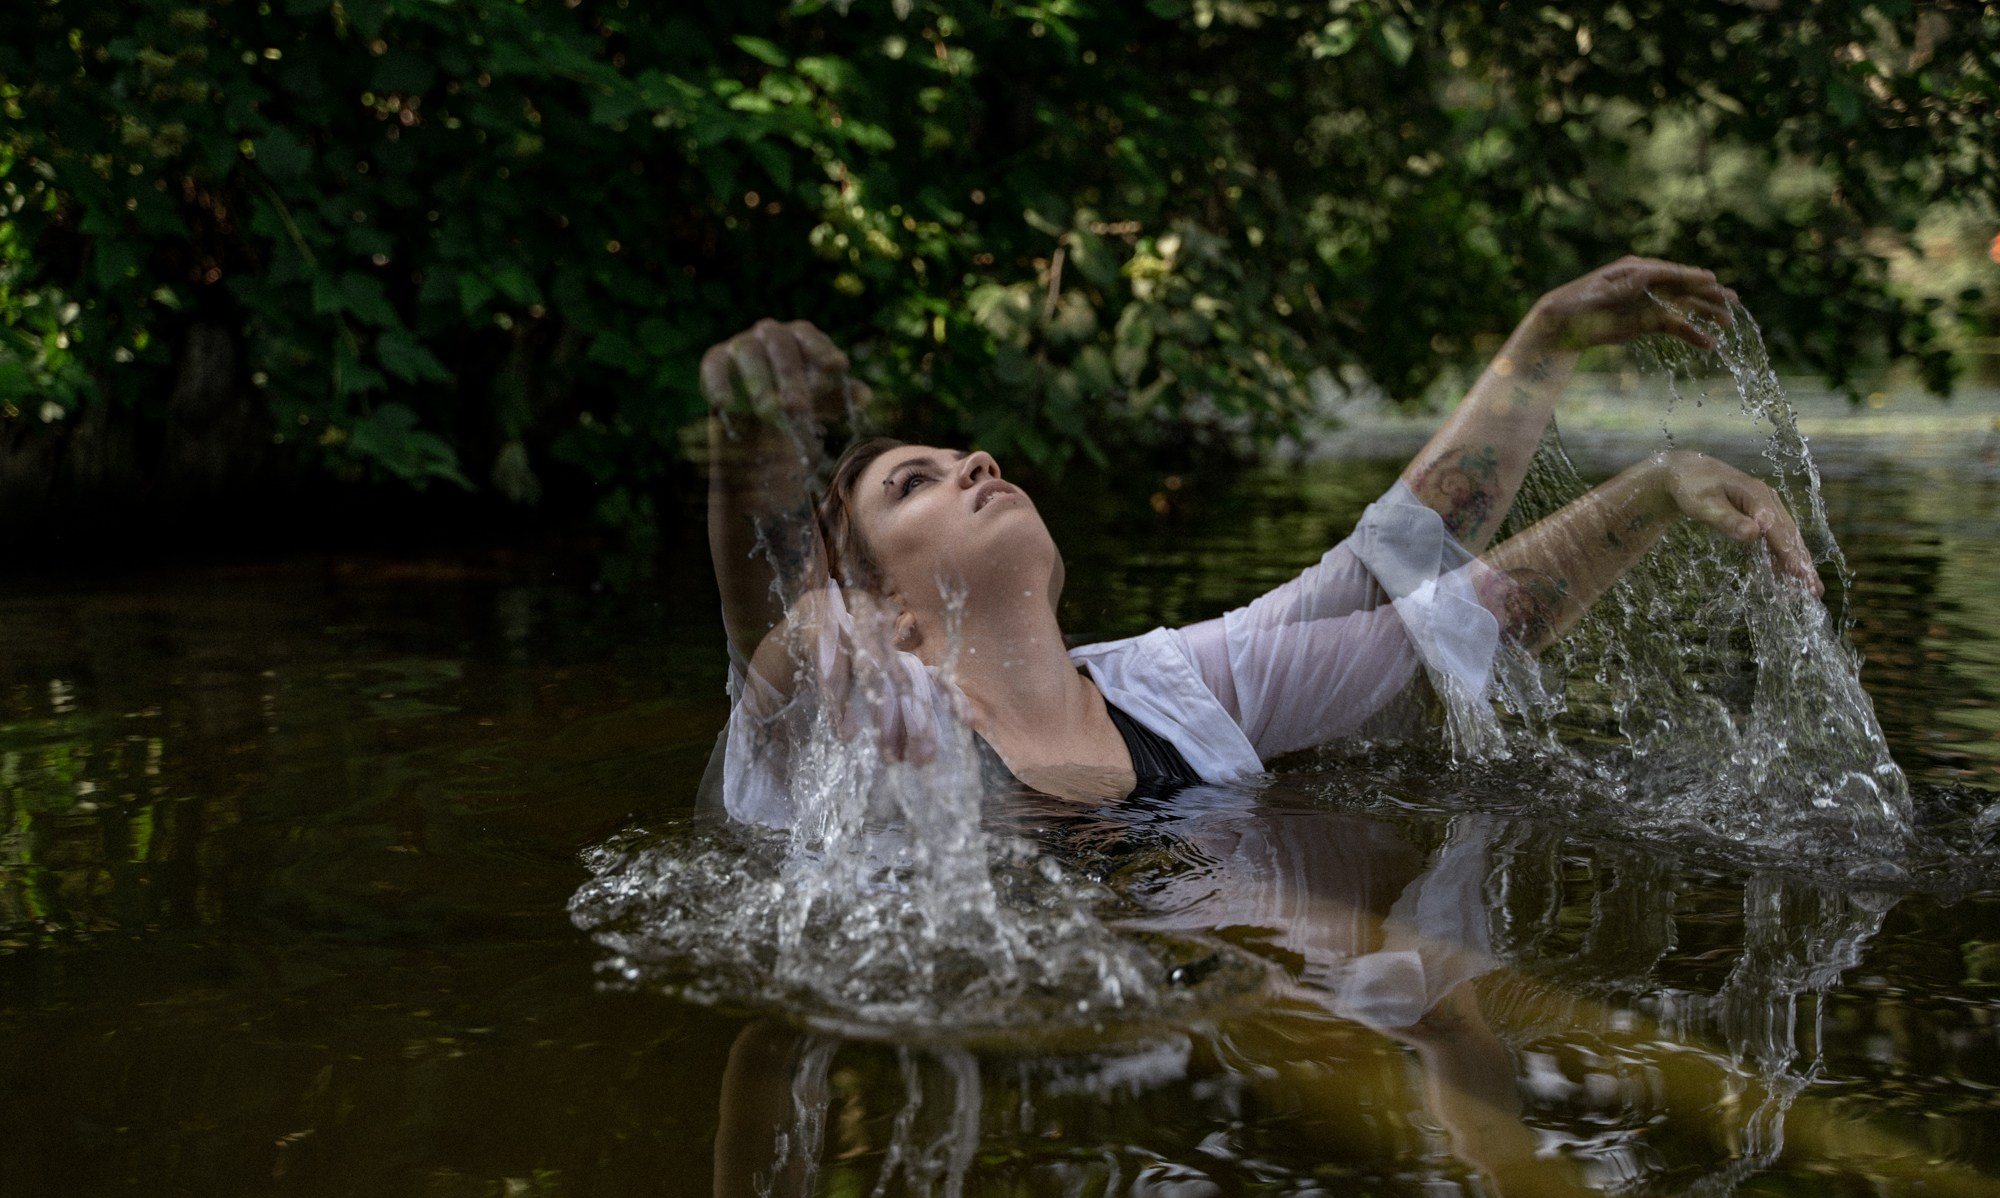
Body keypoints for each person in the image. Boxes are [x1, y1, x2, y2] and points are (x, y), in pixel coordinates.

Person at [699, 257, 1821, 825]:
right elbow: (776, 638)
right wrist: (747, 454)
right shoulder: (873, 725)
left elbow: (1403, 585)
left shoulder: (1167, 687)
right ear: (877, 606)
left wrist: (1572, 375)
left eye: (962, 455)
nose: (975, 463)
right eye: (917, 482)